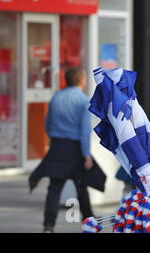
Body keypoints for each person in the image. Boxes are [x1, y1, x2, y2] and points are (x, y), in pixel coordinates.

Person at [40, 67, 94, 233]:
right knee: (81, 187)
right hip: (75, 148)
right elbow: (85, 131)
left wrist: (55, 138)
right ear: (81, 80)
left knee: (54, 187)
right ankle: (89, 223)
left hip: (57, 146)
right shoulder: (83, 101)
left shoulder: (56, 97)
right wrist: (86, 154)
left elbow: (47, 125)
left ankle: (49, 225)